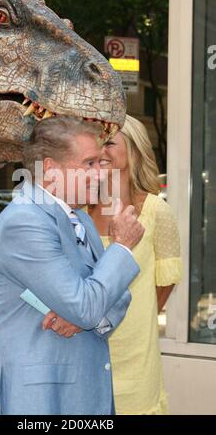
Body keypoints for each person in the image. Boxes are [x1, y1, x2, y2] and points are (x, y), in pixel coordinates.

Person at [0, 116, 144, 415]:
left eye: (100, 163)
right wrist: (122, 247)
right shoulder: (24, 221)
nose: (100, 174)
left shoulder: (80, 218)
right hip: (45, 400)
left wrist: (86, 314)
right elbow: (88, 302)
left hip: (87, 392)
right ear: (50, 169)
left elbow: (118, 296)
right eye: (89, 164)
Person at [87, 115, 183, 414]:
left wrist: (130, 321)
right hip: (84, 351)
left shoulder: (157, 211)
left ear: (134, 151)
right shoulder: (76, 212)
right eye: (96, 143)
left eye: (110, 142)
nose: (101, 150)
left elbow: (164, 285)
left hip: (136, 355)